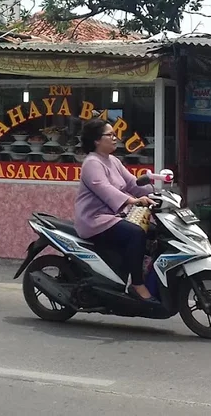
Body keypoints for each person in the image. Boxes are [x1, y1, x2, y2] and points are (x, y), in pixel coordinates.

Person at [74, 118, 156, 300]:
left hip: (114, 216)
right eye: (110, 135)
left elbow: (133, 183)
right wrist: (133, 201)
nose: (115, 138)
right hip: (95, 220)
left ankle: (145, 272)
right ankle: (136, 284)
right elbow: (105, 190)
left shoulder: (113, 160)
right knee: (136, 233)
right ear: (97, 140)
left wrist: (157, 193)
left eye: (114, 134)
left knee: (154, 231)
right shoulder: (92, 163)